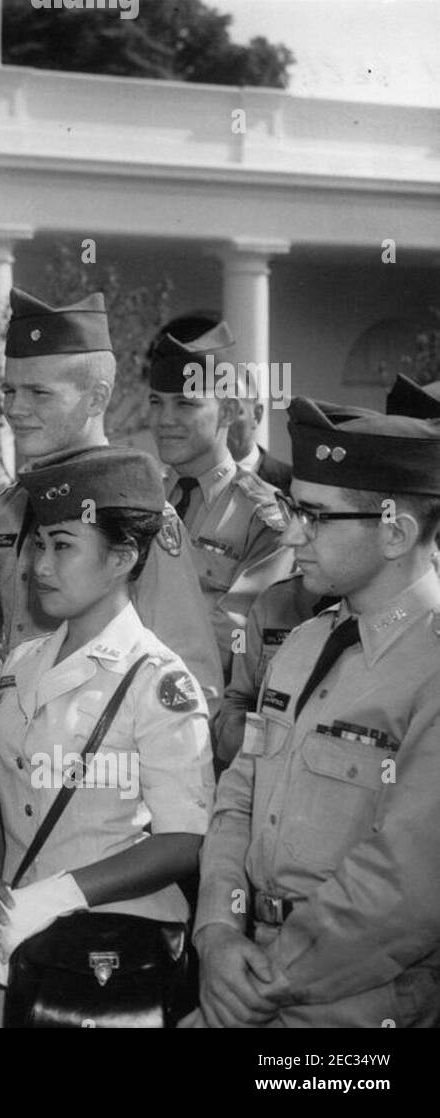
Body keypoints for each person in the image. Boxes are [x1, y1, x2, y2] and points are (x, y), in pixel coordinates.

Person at [188, 398, 440, 1028]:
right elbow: (237, 798)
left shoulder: (430, 665)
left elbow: (406, 884)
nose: (292, 531)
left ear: (395, 532)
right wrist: (218, 930)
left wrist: (268, 979)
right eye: (294, 508)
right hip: (249, 972)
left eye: (316, 517)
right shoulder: (303, 643)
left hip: (358, 1003)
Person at [0, 447, 214, 1028]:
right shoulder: (21, 664)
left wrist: (59, 895)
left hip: (113, 957)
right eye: (38, 545)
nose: (40, 566)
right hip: (16, 945)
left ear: (122, 558)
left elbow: (184, 839)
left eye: (63, 547)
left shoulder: (157, 679)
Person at [0, 289, 222, 783]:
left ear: (97, 397)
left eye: (39, 393)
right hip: (5, 770)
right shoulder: (8, 507)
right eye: (10, 391)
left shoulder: (140, 513)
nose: (15, 410)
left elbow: (192, 682)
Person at [149, 320, 294, 686]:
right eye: (156, 402)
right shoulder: (139, 498)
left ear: (228, 412)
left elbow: (233, 636)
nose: (165, 420)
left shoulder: (264, 517)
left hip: (202, 711)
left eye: (185, 404)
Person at [210, 572, 333, 770]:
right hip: (257, 775)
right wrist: (260, 758)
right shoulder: (276, 599)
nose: (293, 540)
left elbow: (390, 771)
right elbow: (237, 702)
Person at [229, 397, 292, 492]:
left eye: (231, 411)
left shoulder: (291, 483)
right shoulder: (199, 477)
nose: (221, 421)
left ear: (256, 415)